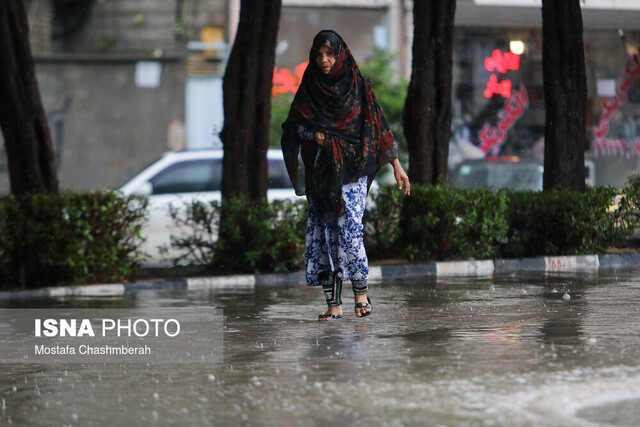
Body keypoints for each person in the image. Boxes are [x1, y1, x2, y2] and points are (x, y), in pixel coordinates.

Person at [281, 30, 410, 321]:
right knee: (324, 235)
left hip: (353, 170)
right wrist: (315, 136)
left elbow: (378, 126)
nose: (324, 60)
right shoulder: (310, 88)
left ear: (340, 54)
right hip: (320, 172)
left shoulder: (358, 86)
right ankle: (333, 305)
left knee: (350, 231)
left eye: (329, 54)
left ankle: (361, 295)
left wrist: (397, 166)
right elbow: (293, 127)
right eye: (319, 54)